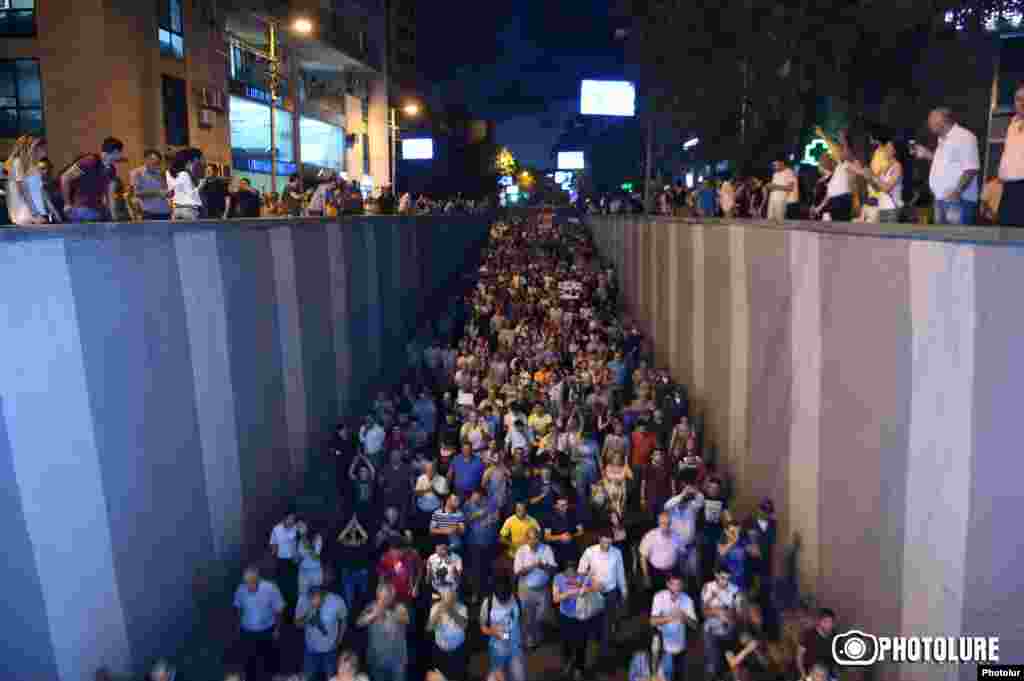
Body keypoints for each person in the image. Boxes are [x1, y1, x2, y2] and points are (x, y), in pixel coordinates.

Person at [911, 107, 980, 225]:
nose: (929, 124)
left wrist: (957, 191)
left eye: (931, 119)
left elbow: (971, 168)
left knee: (957, 240)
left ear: (943, 120)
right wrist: (928, 155)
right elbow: (947, 165)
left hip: (958, 200)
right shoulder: (942, 140)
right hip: (940, 200)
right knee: (942, 242)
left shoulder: (964, 136)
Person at [552, 558, 603, 681]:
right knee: (566, 643)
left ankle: (579, 668)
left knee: (581, 644)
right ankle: (568, 664)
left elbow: (599, 587)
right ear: (563, 572)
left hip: (581, 617)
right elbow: (555, 599)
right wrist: (568, 594)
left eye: (573, 573)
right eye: (567, 574)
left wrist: (586, 589)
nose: (570, 577)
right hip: (565, 617)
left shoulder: (583, 576)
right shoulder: (558, 578)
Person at [579, 526, 629, 650]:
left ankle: (606, 645)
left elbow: (620, 572)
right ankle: (599, 641)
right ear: (599, 539)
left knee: (608, 620)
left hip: (611, 592)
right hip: (595, 593)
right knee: (596, 619)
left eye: (609, 542)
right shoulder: (590, 552)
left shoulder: (617, 552)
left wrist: (624, 590)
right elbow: (580, 571)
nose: (607, 545)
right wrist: (592, 583)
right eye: (604, 542)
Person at [233, 566, 285, 681]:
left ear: (258, 579)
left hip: (267, 630)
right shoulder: (241, 589)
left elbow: (279, 609)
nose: (249, 586)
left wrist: (277, 629)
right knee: (249, 662)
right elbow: (238, 608)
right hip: (248, 632)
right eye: (247, 583)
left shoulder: (270, 588)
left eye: (252, 583)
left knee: (269, 659)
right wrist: (237, 627)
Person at [512, 527, 558, 649]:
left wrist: (543, 566)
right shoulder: (521, 551)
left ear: (539, 538)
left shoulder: (546, 549)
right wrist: (532, 566)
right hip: (525, 588)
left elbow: (553, 569)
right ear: (526, 539)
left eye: (536, 538)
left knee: (541, 616)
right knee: (527, 616)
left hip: (543, 589)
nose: (533, 541)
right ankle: (529, 640)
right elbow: (517, 573)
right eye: (531, 539)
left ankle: (536, 634)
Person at [60, 136, 124, 222]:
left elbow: (110, 195)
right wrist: (67, 204)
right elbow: (65, 177)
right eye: (118, 153)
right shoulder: (90, 161)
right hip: (81, 209)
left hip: (97, 211)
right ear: (113, 152)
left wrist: (114, 218)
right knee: (90, 216)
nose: (119, 157)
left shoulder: (112, 169)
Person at [357, 582, 410, 681]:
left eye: (388, 596)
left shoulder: (400, 607)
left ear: (393, 596)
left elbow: (406, 620)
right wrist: (373, 615)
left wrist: (389, 613)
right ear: (378, 594)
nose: (385, 600)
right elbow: (359, 623)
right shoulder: (371, 607)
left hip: (397, 660)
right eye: (383, 596)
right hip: (376, 659)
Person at [649, 572, 698, 681]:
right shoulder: (659, 597)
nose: (677, 588)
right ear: (668, 585)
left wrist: (684, 617)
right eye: (674, 584)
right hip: (663, 646)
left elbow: (695, 625)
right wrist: (670, 618)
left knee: (679, 675)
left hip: (680, 647)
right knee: (665, 675)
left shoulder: (687, 600)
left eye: (679, 584)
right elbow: (652, 622)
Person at [294, 585, 348, 681]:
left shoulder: (336, 601)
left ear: (324, 596)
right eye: (311, 598)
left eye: (318, 598)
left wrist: (339, 639)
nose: (314, 602)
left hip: (330, 650)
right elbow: (297, 623)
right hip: (311, 649)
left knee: (331, 677)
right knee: (308, 677)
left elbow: (343, 619)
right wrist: (309, 614)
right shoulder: (303, 600)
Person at [479, 576, 526, 681]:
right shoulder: (488, 603)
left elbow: (522, 620)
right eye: (501, 600)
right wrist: (493, 632)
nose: (504, 602)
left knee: (519, 676)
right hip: (496, 648)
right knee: (496, 676)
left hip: (515, 648)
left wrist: (521, 639)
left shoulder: (517, 599)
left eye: (506, 599)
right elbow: (482, 626)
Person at [5, 135, 60, 225]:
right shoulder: (17, 163)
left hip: (38, 213)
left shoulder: (34, 166)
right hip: (27, 214)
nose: (45, 152)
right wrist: (34, 213)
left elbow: (41, 191)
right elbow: (22, 190)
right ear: (32, 148)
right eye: (42, 148)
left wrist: (53, 211)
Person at [702, 566, 743, 681]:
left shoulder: (735, 590)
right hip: (711, 633)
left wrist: (731, 616)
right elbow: (704, 612)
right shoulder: (707, 588)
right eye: (723, 578)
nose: (725, 582)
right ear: (716, 575)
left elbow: (739, 615)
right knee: (713, 666)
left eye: (728, 579)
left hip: (729, 632)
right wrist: (717, 611)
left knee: (731, 665)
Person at [851, 135, 904, 223]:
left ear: (895, 151)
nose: (885, 150)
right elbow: (877, 188)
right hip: (882, 207)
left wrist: (873, 176)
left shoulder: (897, 166)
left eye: (888, 147)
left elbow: (887, 188)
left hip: (892, 209)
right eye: (886, 147)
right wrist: (865, 175)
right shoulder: (885, 167)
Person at [426, 590, 470, 681]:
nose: (447, 601)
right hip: (440, 652)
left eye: (451, 598)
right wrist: (438, 612)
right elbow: (429, 628)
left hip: (458, 652)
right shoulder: (435, 607)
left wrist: (451, 611)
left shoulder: (462, 607)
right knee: (440, 677)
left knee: (458, 676)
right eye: (445, 597)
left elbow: (464, 625)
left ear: (455, 597)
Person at [999, 83, 1024, 226]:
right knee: (1006, 230)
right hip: (1009, 186)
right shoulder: (1012, 124)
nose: (1022, 103)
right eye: (1018, 99)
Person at [639, 511, 683, 594]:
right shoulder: (650, 536)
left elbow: (681, 554)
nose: (665, 526)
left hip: (672, 573)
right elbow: (643, 557)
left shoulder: (676, 536)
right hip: (655, 574)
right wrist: (646, 576)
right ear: (658, 523)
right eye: (663, 523)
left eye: (668, 523)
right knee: (657, 598)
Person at [129, 149, 171, 221]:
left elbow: (165, 190)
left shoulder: (160, 173)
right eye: (153, 161)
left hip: (165, 212)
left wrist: (168, 193)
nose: (156, 165)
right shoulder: (136, 173)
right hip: (149, 213)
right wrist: (156, 193)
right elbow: (136, 193)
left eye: (158, 162)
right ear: (146, 160)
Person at [797, 608, 837, 680]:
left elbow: (837, 658)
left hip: (828, 675)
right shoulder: (808, 635)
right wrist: (803, 674)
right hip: (810, 675)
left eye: (831, 622)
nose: (828, 625)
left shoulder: (835, 636)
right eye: (825, 622)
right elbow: (799, 656)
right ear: (819, 621)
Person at [270, 512, 299, 606]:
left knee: (292, 589)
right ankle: (282, 607)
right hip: (281, 561)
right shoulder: (276, 529)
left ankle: (292, 607)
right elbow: (273, 544)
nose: (291, 521)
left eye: (293, 519)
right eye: (289, 519)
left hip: (293, 562)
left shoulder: (297, 528)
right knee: (281, 587)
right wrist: (273, 555)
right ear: (284, 518)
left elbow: (301, 544)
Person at [167, 148, 205, 221]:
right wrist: (201, 185)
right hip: (188, 210)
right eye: (201, 158)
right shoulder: (184, 174)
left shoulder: (176, 174)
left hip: (178, 209)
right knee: (191, 232)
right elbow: (191, 194)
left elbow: (171, 193)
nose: (201, 161)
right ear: (194, 159)